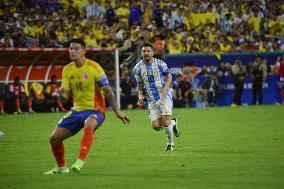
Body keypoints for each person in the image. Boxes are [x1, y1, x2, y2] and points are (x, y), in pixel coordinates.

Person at [44, 39, 130, 175]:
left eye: (76, 48)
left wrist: (117, 112)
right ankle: (61, 168)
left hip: (96, 110)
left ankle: (79, 161)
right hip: (77, 110)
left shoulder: (94, 67)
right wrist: (62, 93)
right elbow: (66, 95)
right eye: (70, 48)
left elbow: (108, 90)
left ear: (84, 50)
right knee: (54, 139)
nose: (72, 51)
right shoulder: (67, 69)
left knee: (89, 123)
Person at [134, 42, 179, 151]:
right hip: (151, 99)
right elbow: (140, 84)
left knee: (164, 120)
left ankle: (170, 144)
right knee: (156, 126)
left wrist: (165, 89)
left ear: (153, 53)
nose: (146, 53)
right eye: (144, 51)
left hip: (164, 96)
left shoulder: (160, 64)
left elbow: (169, 77)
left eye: (148, 51)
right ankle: (172, 123)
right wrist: (140, 94)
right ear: (141, 53)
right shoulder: (138, 68)